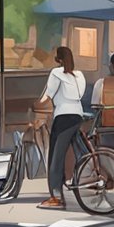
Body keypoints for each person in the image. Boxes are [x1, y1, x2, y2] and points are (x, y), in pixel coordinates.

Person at [39, 46, 87, 209]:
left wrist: (34, 105)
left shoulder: (56, 73)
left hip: (63, 117)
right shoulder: (79, 75)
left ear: (58, 59)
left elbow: (48, 96)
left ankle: (56, 197)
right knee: (79, 150)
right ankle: (89, 176)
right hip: (77, 115)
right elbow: (79, 95)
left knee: (56, 156)